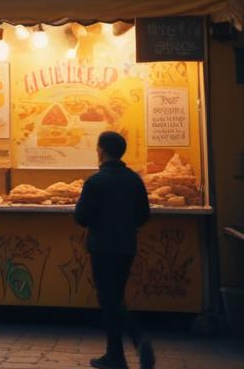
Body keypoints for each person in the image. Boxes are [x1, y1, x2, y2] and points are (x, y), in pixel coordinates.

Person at [75, 132, 154, 369]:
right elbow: (143, 217)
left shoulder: (95, 182)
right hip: (126, 247)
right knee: (114, 299)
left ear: (101, 151)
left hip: (102, 248)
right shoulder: (134, 180)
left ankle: (138, 337)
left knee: (109, 299)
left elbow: (81, 217)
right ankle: (115, 356)